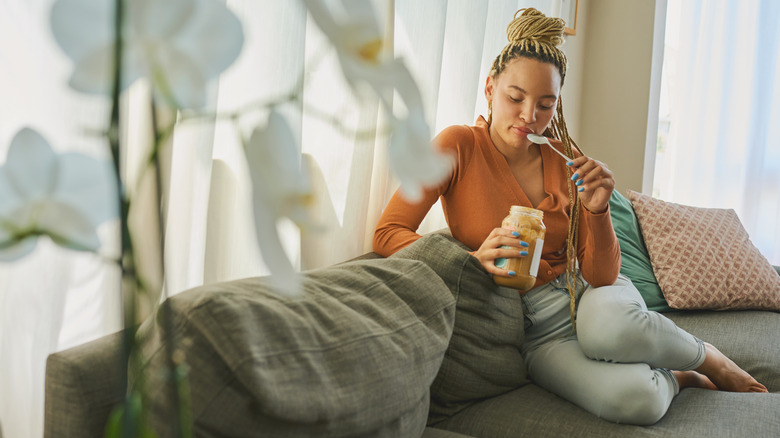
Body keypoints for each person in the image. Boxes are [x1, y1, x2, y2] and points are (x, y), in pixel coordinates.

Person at [372, 8, 767, 426]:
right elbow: (388, 231)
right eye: (515, 98)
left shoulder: (565, 160)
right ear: (489, 89)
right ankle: (679, 377)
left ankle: (708, 356)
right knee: (637, 402)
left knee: (604, 330)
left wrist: (597, 211)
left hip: (592, 296)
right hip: (535, 332)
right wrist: (469, 260)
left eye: (546, 104)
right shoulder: (457, 147)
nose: (529, 116)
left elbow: (600, 276)